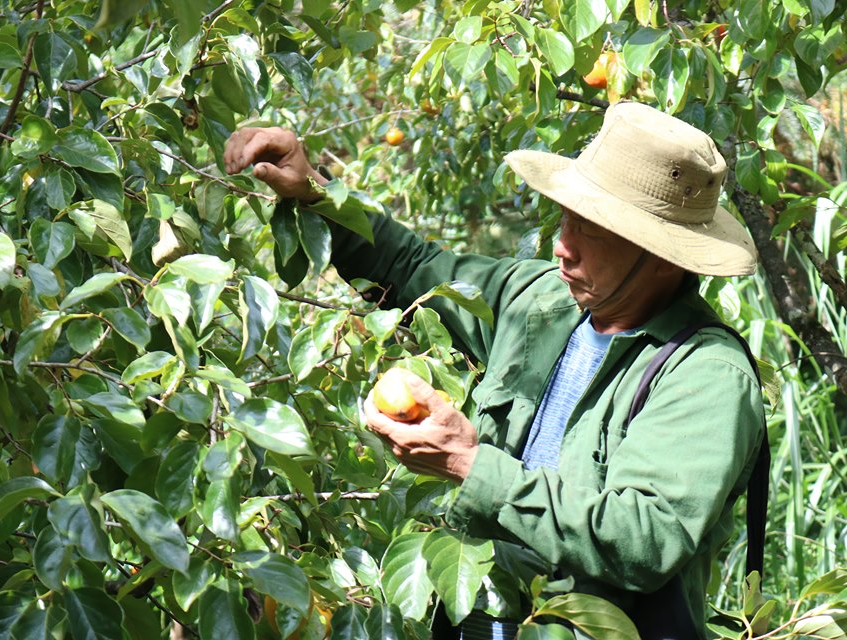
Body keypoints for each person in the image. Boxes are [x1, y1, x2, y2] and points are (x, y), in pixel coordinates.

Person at [224, 101, 766, 639]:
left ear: (663, 255)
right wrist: (313, 188)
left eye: (593, 230)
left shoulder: (706, 375)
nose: (562, 246)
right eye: (566, 217)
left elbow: (643, 540)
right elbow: (408, 267)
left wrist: (469, 463)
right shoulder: (543, 301)